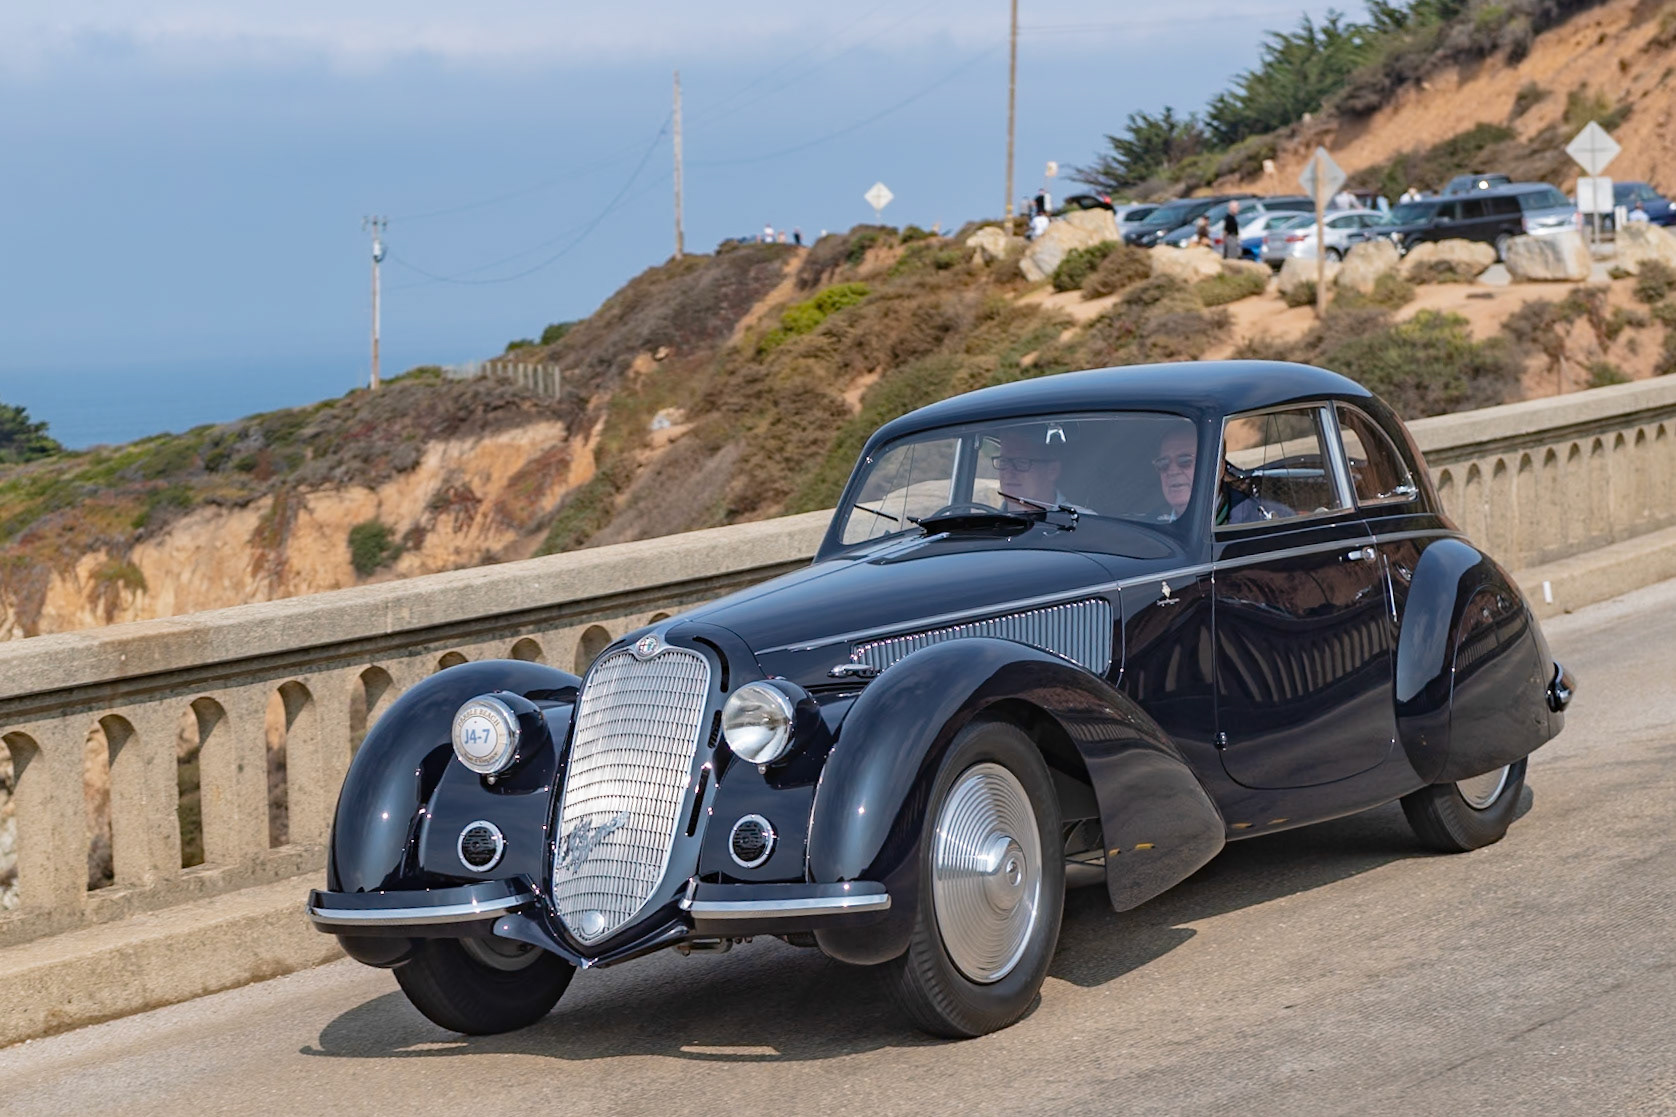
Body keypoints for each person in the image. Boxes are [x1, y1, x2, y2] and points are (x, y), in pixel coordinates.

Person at [992, 425, 1065, 512]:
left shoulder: (1080, 523)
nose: (1008, 473)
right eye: (1003, 461)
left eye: (1021, 462)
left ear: (1053, 470)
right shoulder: (986, 522)